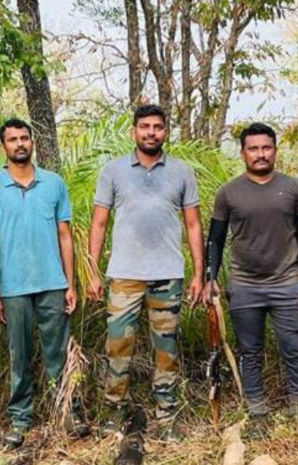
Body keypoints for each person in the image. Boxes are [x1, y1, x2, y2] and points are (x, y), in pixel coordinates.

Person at [87, 104, 205, 441]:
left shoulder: (181, 172)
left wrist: (198, 273)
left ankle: (167, 416)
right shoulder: (113, 171)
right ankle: (114, 414)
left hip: (167, 274)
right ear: (134, 131)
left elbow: (194, 224)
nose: (151, 132)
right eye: (144, 127)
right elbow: (99, 222)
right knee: (118, 346)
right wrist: (92, 271)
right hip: (124, 275)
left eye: (157, 127)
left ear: (165, 131)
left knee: (166, 349)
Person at [204, 123, 298, 436]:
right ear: (243, 153)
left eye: (266, 148)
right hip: (244, 285)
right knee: (249, 351)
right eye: (253, 149)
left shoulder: (294, 189)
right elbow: (214, 240)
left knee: (294, 348)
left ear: (275, 151)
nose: (260, 154)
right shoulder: (228, 193)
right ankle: (257, 412)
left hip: (287, 283)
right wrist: (210, 278)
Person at [0, 118, 88, 449]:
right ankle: (20, 418)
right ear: (4, 147)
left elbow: (64, 235)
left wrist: (70, 284)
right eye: (12, 139)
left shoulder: (53, 183)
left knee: (58, 352)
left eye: (24, 137)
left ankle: (69, 411)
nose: (19, 144)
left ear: (32, 142)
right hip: (13, 288)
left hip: (52, 283)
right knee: (20, 356)